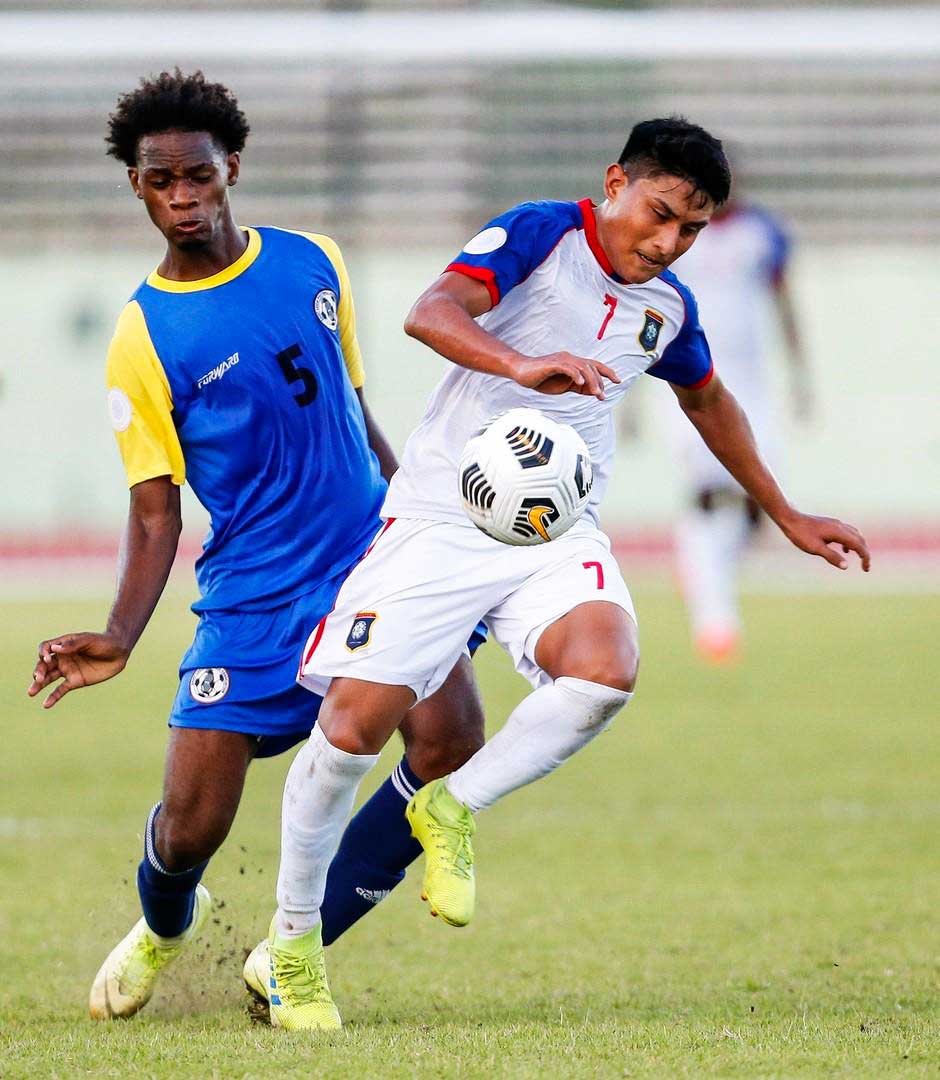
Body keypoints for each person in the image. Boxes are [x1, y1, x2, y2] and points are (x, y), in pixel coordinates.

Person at [241, 116, 870, 1031]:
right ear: (615, 181)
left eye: (690, 231)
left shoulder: (667, 308)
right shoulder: (543, 232)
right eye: (657, 215)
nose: (667, 243)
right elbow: (431, 311)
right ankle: (293, 948)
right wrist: (521, 364)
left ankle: (453, 805)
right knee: (349, 733)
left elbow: (709, 400)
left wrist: (786, 511)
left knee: (607, 670)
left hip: (552, 527)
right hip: (439, 519)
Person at [25, 70, 485, 1022]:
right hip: (251, 594)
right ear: (138, 188)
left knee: (448, 739)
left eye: (197, 175)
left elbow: (357, 410)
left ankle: (292, 950)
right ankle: (162, 928)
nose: (182, 198)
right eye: (161, 182)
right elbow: (156, 512)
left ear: (231, 167)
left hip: (369, 561)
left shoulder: (315, 259)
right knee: (190, 830)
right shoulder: (144, 334)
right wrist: (119, 632)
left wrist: (423, 530)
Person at [667, 191, 812, 662]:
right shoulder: (678, 235)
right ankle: (714, 619)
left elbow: (783, 299)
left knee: (760, 501)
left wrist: (799, 373)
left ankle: (700, 563)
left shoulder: (761, 232)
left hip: (751, 388)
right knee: (710, 496)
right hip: (690, 383)